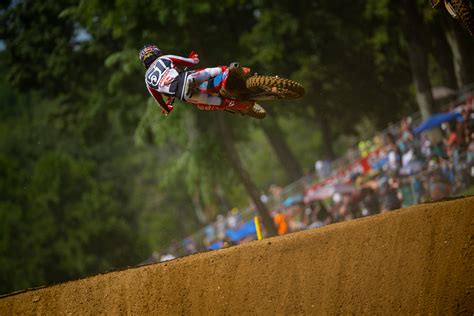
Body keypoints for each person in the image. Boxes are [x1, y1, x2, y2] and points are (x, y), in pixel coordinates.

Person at [139, 44, 251, 115]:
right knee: (213, 71)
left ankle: (235, 104)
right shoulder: (163, 59)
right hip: (188, 78)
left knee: (207, 103)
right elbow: (192, 62)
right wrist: (193, 59)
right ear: (156, 52)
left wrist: (167, 108)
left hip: (184, 95)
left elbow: (159, 100)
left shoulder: (147, 80)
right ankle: (235, 71)